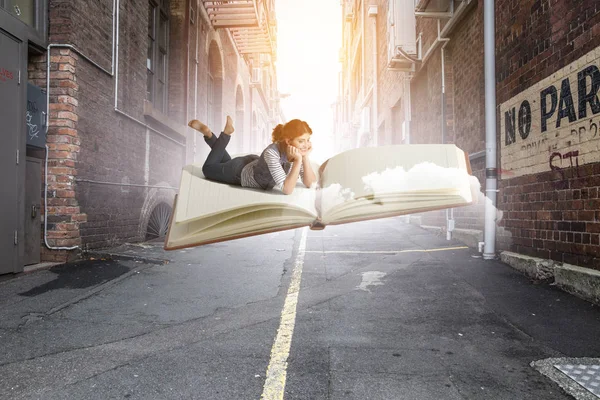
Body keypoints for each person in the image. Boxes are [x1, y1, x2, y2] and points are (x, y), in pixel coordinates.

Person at [188, 116, 317, 195]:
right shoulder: (272, 152)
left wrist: (305, 157)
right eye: (301, 141)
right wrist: (299, 160)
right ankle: (223, 135)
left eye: (308, 140)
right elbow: (287, 189)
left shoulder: (295, 151)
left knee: (222, 163)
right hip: (238, 172)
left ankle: (209, 135)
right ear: (288, 141)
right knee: (208, 168)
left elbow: (310, 183)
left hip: (248, 164)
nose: (306, 145)